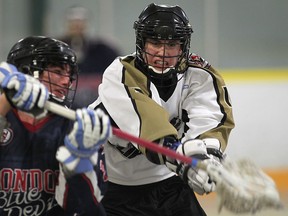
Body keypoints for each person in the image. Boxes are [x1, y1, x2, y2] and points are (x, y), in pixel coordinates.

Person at [89, 3, 234, 216]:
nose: (162, 53)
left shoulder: (199, 75)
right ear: (142, 43)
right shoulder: (119, 72)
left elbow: (210, 118)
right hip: (118, 191)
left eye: (172, 44)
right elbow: (148, 122)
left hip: (170, 186)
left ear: (183, 46)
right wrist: (181, 158)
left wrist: (207, 154)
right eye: (155, 42)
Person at [0, 36, 111, 215]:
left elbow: (86, 209)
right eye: (58, 71)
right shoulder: (4, 114)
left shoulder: (76, 128)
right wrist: (6, 100)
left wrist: (79, 165)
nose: (67, 81)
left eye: (69, 74)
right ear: (27, 71)